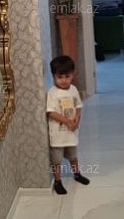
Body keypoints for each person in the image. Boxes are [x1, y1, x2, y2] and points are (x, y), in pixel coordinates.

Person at [47, 55, 90, 195]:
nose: (64, 80)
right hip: (58, 135)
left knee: (73, 156)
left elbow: (78, 105)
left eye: (67, 76)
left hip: (71, 133)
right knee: (57, 160)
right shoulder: (52, 93)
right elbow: (51, 112)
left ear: (72, 75)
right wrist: (67, 122)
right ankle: (57, 181)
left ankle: (77, 174)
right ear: (53, 76)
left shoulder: (73, 90)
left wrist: (77, 118)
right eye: (60, 77)